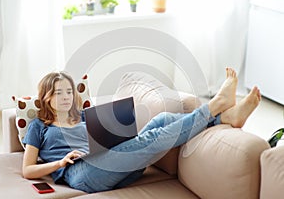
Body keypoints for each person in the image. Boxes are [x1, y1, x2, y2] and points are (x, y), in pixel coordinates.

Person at [22, 68, 261, 193]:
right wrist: (59, 163)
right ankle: (215, 109)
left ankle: (224, 118)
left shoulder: (85, 115)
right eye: (58, 92)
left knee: (163, 119)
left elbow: (109, 139)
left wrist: (117, 129)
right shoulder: (39, 127)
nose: (65, 97)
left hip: (117, 165)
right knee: (153, 138)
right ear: (46, 97)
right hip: (82, 174)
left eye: (68, 91)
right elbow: (28, 169)